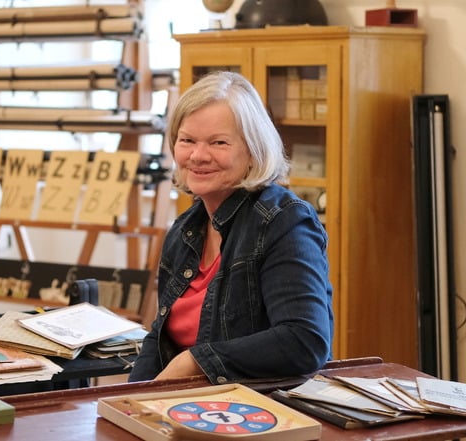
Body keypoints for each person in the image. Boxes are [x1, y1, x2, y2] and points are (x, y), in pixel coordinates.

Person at [128, 71, 333, 384]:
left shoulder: (284, 222)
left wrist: (195, 361)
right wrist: (128, 400)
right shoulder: (186, 227)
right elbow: (161, 336)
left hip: (261, 412)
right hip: (194, 407)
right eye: (187, 140)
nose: (198, 155)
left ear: (252, 151)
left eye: (218, 142)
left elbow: (303, 341)